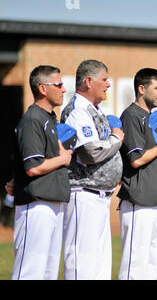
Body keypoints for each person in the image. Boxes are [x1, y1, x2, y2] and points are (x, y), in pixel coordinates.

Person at [60, 59, 124, 280]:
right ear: (88, 81)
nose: (108, 84)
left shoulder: (92, 109)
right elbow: (90, 153)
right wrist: (117, 138)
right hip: (83, 195)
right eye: (104, 79)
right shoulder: (77, 110)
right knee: (82, 265)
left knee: (100, 268)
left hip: (99, 197)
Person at [11, 65, 73, 279]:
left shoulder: (48, 118)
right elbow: (33, 166)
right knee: (29, 271)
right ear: (43, 89)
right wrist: (63, 159)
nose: (64, 89)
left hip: (53, 203)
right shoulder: (33, 119)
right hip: (36, 206)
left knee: (47, 272)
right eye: (58, 84)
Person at [117, 68, 157, 280]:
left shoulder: (150, 117)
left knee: (149, 265)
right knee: (134, 265)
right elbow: (136, 159)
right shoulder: (131, 115)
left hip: (153, 204)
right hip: (138, 204)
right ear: (141, 89)